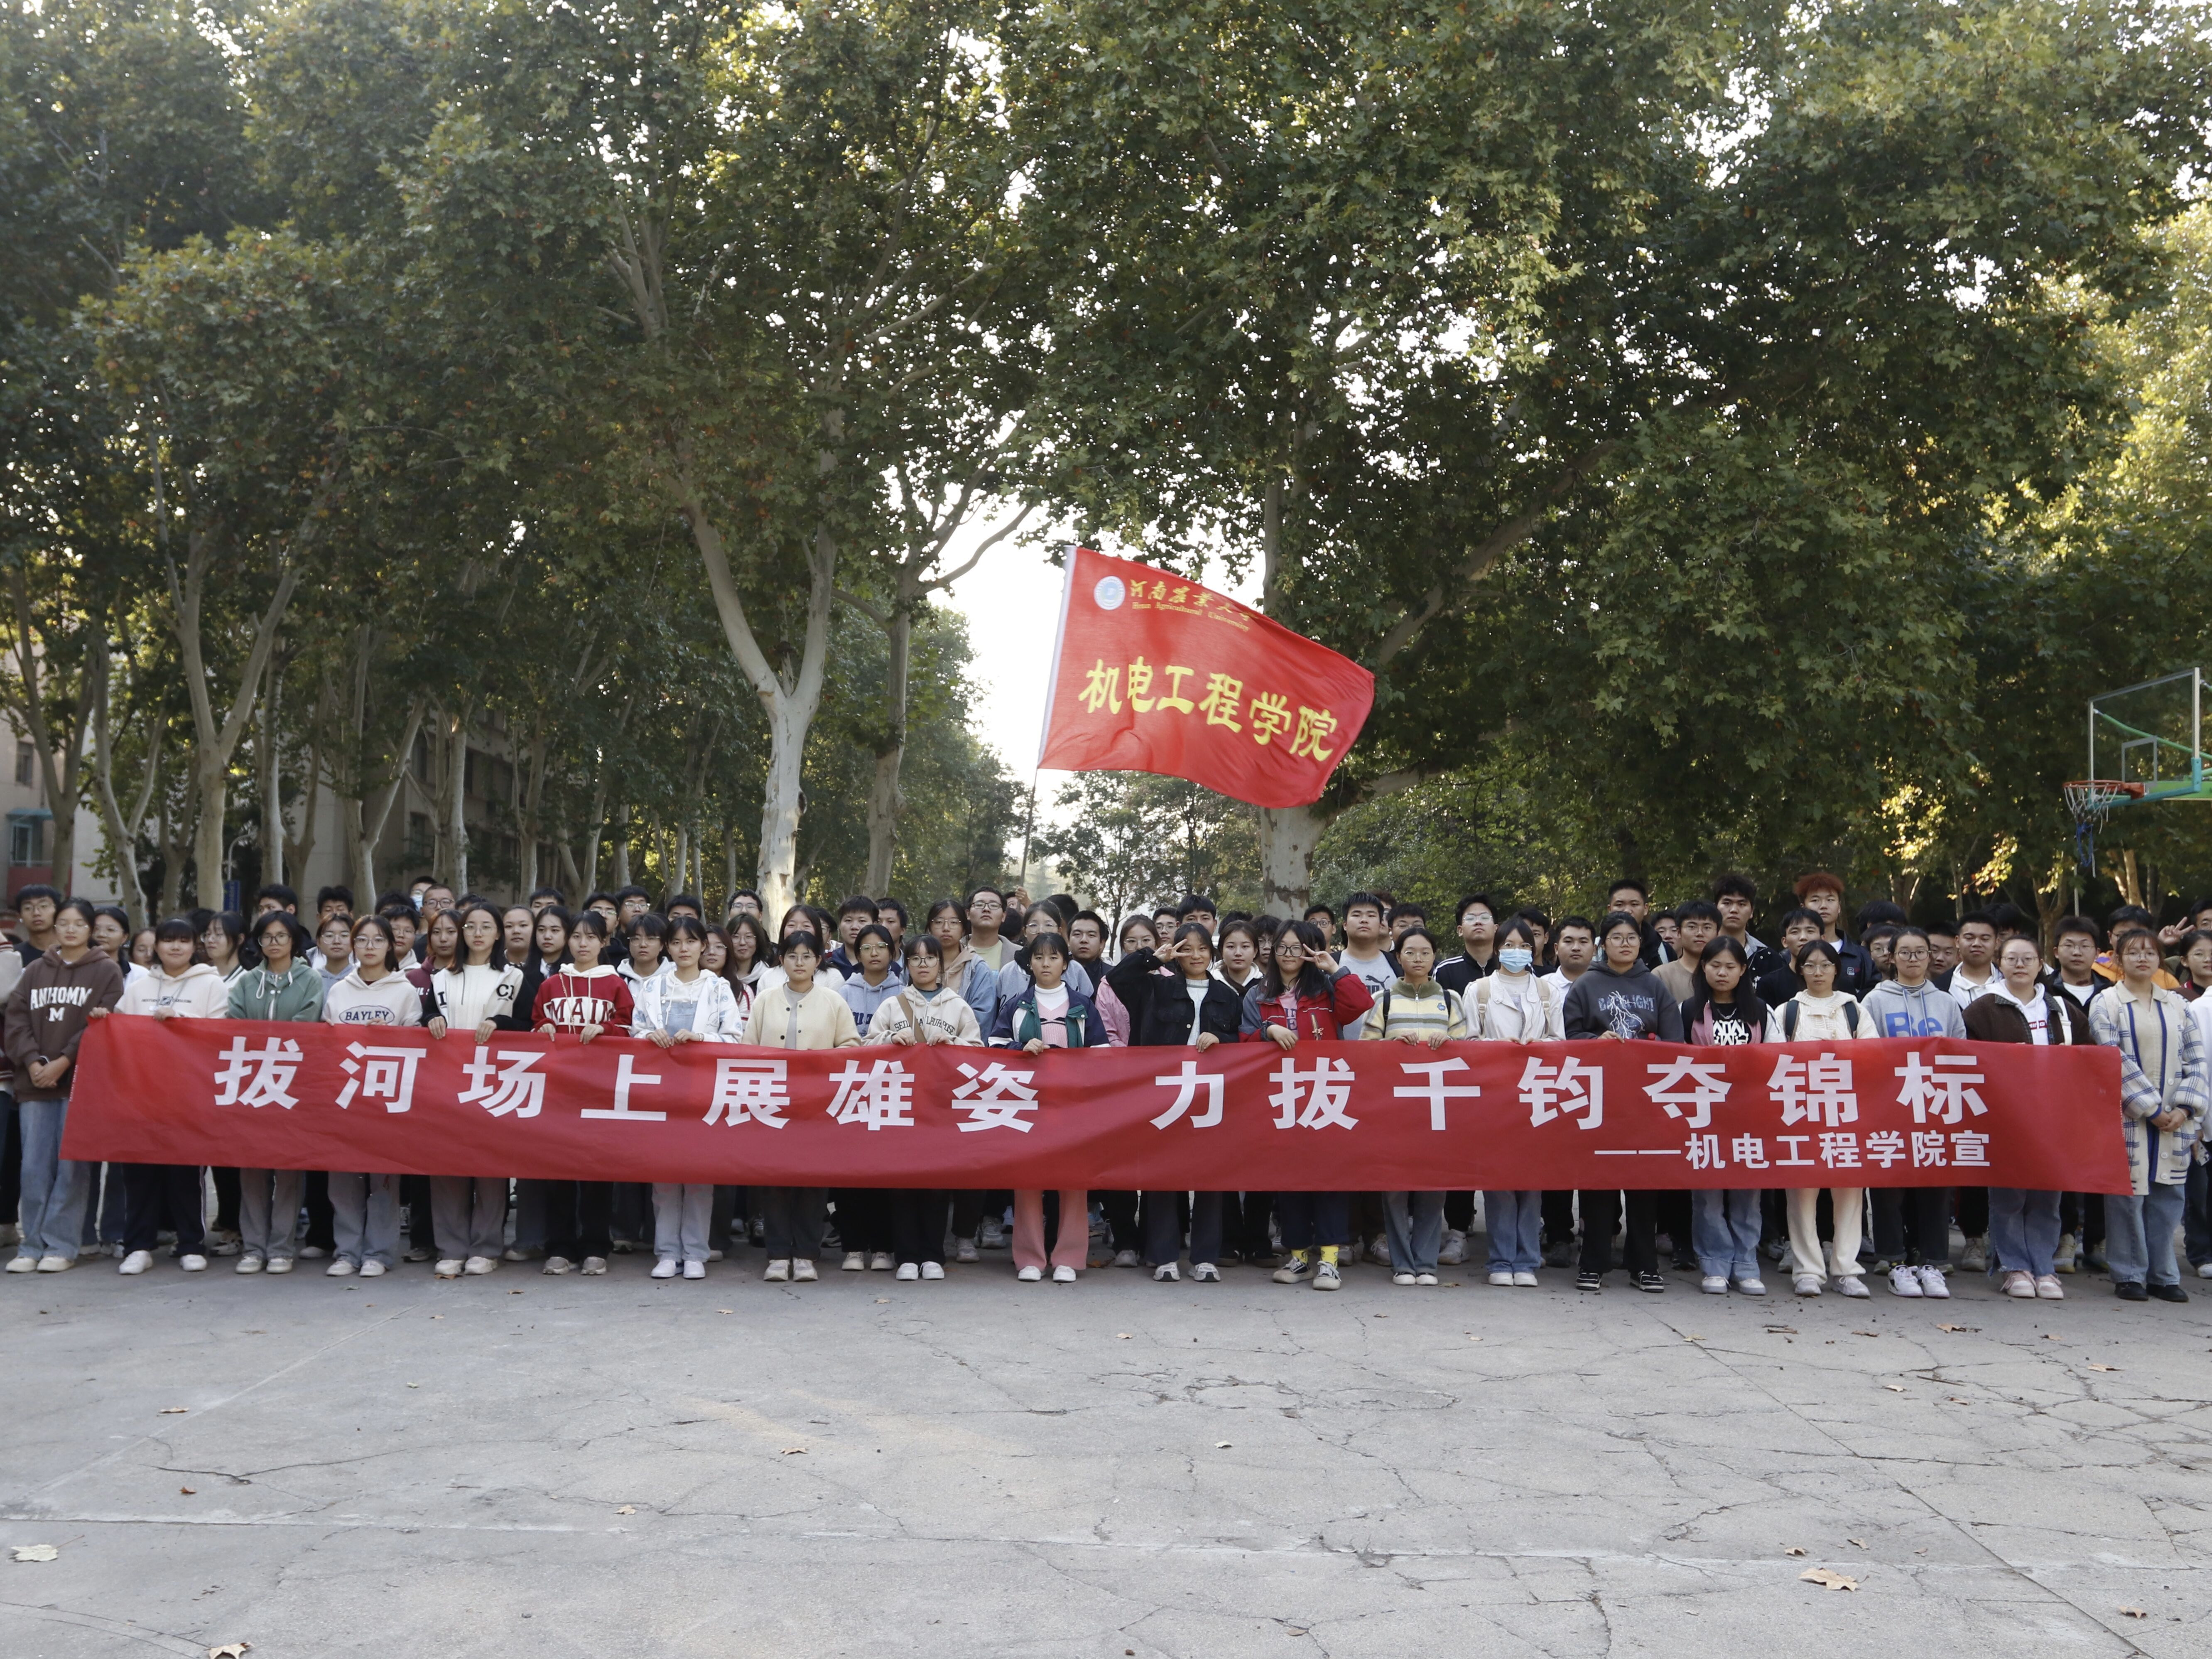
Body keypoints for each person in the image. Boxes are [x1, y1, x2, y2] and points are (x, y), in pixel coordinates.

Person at [1107, 921, 1243, 1284]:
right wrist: (1154, 958)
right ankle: (1165, 1256)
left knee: (1210, 1178)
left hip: (1211, 1095)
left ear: (1212, 953)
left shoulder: (1227, 995)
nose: (1195, 955)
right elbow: (1117, 979)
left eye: (1202, 948)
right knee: (1163, 1175)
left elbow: (1242, 1041)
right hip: (1164, 1095)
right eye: (1187, 948)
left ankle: (1205, 1258)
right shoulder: (1156, 987)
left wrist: (1222, 1039)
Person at [1242, 920, 1375, 1291]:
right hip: (1281, 1096)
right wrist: (1268, 1031)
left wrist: (1335, 969)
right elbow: (1242, 1042)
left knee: (1329, 1177)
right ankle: (1299, 1256)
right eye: (1282, 947)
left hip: (1324, 1092)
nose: (1289, 955)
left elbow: (1361, 1004)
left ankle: (1329, 1261)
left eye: (1297, 948)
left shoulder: (1326, 990)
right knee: (1290, 1178)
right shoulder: (1257, 995)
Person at [1964, 935, 2094, 1300]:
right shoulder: (1982, 1009)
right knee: (2008, 1197)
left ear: (2041, 965)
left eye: (2027, 959)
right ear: (1999, 964)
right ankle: (2014, 1267)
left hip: (2055, 1117)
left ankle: (2044, 1267)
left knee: (2047, 1197)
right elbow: (1969, 1063)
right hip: (2005, 1117)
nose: (2020, 965)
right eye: (2011, 959)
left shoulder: (2062, 1010)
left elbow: (2090, 1057)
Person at [4, 897, 125, 1274]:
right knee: (33, 1169)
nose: (70, 930)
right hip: (34, 1083)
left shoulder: (106, 971)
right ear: (55, 928)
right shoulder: (35, 970)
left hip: (80, 1085)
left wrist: (63, 1061)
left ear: (90, 930)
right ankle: (31, 1245)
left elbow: (101, 1025)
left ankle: (61, 1245)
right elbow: (16, 1021)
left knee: (72, 1169)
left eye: (79, 924)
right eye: (64, 923)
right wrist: (32, 1062)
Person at [1563, 910, 1681, 1293]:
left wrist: (1648, 1048)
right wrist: (1595, 1043)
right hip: (1600, 1101)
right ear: (1604, 945)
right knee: (1599, 1184)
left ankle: (1644, 1265)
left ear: (1640, 943)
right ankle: (1593, 1263)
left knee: (1644, 1185)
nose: (1625, 943)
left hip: (1646, 1101)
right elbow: (1570, 1037)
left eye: (1631, 937)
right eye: (1616, 937)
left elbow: (1675, 1043)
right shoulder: (1586, 985)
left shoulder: (1654, 986)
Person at [103, 916, 225, 1276]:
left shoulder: (211, 984)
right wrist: (102, 1020)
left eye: (183, 941)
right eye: (168, 940)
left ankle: (191, 1244)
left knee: (185, 1175)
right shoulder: (139, 986)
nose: (175, 947)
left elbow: (220, 1036)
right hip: (141, 1097)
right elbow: (119, 1032)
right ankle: (138, 1247)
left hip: (189, 1097)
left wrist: (181, 1020)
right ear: (156, 946)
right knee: (139, 1175)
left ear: (194, 946)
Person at [2090, 926, 2206, 1304]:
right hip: (2129, 1117)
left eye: (2150, 952)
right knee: (2127, 1198)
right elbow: (2112, 1060)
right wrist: (2152, 1110)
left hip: (2176, 1119)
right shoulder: (2106, 1003)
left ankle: (2163, 1275)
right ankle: (2129, 1274)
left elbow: (2197, 1060)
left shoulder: (2179, 1005)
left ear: (2160, 959)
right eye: (2133, 952)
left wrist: (2185, 1108)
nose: (2143, 958)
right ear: (2118, 959)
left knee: (2168, 1196)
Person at [632, 915, 744, 1281]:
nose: (684, 949)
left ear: (703, 947)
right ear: (668, 947)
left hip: (703, 1092)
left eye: (691, 942)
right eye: (677, 942)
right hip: (660, 1091)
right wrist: (649, 1037)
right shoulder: (651, 988)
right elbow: (634, 1032)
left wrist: (701, 1040)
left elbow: (735, 1038)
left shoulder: (718, 988)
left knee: (698, 1175)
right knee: (664, 1176)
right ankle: (667, 1252)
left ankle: (695, 1253)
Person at [744, 930, 861, 1282]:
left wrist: (819, 1062)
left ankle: (807, 1254)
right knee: (775, 1181)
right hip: (773, 1103)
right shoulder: (765, 1000)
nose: (799, 962)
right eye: (792, 956)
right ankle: (778, 1255)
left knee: (812, 1181)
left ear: (818, 961)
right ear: (781, 960)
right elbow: (747, 1050)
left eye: (807, 956)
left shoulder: (833, 1001)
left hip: (817, 1106)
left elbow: (851, 1046)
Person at [868, 935, 983, 1282]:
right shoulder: (892, 1005)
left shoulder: (958, 1006)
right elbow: (866, 1046)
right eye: (916, 959)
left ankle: (933, 1255)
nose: (923, 965)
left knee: (936, 1183)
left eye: (930, 958)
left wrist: (954, 1043)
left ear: (940, 964)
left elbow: (978, 1052)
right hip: (900, 1107)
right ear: (907, 965)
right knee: (902, 1183)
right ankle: (906, 1256)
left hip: (942, 1109)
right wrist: (890, 1040)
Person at [990, 930, 1102, 1283]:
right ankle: (1030, 1258)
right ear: (1029, 964)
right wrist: (1019, 1049)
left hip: (1073, 1106)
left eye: (1054, 957)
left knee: (1074, 1181)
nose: (1046, 964)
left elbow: (1102, 1053)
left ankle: (1068, 1257)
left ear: (1066, 964)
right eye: (1039, 958)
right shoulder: (1016, 1005)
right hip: (1028, 1104)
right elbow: (994, 1045)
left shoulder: (1083, 1005)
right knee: (1027, 1180)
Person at [424, 903, 525, 1279]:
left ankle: (486, 1247)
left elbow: (527, 1023)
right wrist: (430, 1019)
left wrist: (500, 1022)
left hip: (494, 1083)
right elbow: (426, 1017)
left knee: (490, 1168)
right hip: (447, 1082)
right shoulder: (440, 978)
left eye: (486, 927)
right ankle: (451, 1246)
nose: (478, 933)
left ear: (499, 933)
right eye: (470, 927)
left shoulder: (515, 976)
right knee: (447, 1167)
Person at [1861, 926, 1962, 1298]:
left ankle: (1933, 1257)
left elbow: (1961, 1050)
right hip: (1890, 1103)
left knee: (1934, 1179)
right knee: (1889, 1181)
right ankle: (1892, 1256)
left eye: (1921, 952)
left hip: (1936, 1104)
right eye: (1905, 952)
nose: (1913, 959)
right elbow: (1866, 1050)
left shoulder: (1946, 1002)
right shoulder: (1874, 1000)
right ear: (1892, 958)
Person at [319, 915, 420, 1277]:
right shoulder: (338, 991)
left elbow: (418, 1044)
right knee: (343, 1180)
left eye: (378, 940)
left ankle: (379, 1252)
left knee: (383, 1181)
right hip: (345, 1098)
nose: (370, 947)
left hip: (386, 1099)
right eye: (362, 940)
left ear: (390, 946)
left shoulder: (404, 991)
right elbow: (325, 1043)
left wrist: (392, 1035)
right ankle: (347, 1252)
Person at [533, 910, 631, 1276]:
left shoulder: (616, 984)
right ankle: (559, 1246)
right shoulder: (551, 985)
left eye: (591, 937)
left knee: (596, 1171)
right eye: (576, 937)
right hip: (558, 1091)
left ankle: (595, 1245)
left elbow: (629, 1028)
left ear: (604, 942)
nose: (583, 944)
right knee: (557, 1171)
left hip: (600, 1090)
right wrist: (544, 1028)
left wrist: (606, 1030)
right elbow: (536, 1022)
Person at [226, 910, 325, 1275]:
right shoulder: (246, 981)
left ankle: (282, 1247)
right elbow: (233, 1024)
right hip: (251, 1085)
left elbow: (306, 1024)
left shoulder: (310, 979)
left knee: (288, 1171)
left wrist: (266, 1042)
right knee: (252, 1169)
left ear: (293, 941)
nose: (274, 943)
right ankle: (254, 1248)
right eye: (267, 937)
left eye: (281, 936)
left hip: (292, 1085)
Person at [1465, 917, 1559, 1286]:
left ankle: (1528, 1261)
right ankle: (1501, 1262)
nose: (1516, 952)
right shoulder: (1480, 990)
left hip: (1537, 1093)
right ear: (1497, 949)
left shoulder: (1548, 990)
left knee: (1532, 1181)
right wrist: (1500, 1048)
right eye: (1509, 946)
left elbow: (1560, 1040)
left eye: (1524, 946)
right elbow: (1468, 1042)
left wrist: (1538, 1047)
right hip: (1496, 1096)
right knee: (1500, 1181)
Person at [1775, 940, 1871, 1298]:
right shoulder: (1787, 1011)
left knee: (1849, 1191)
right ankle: (1808, 1270)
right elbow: (1773, 1062)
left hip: (1847, 1113)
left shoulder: (1854, 1010)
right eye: (1810, 965)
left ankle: (1846, 1269)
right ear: (1800, 970)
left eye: (1825, 965)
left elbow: (1875, 1058)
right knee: (1802, 1193)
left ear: (1837, 970)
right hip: (1800, 1113)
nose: (1818, 972)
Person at [1371, 926, 1465, 1287]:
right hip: (1394, 1110)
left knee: (1433, 1184)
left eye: (1425, 952)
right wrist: (1392, 1042)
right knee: (1395, 1187)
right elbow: (1364, 1051)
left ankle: (1426, 1263)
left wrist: (1450, 1041)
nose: (1418, 959)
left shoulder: (1451, 999)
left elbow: (1470, 1049)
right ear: (1398, 957)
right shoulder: (1383, 1000)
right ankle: (1402, 1264)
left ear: (1434, 957)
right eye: (1410, 952)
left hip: (1439, 1108)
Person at [1679, 937, 1772, 1296]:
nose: (1722, 973)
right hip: (1705, 1116)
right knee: (1709, 1195)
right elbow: (1675, 1059)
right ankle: (1714, 1264)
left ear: (1743, 970)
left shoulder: (1761, 1010)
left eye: (1731, 966)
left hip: (1751, 1116)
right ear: (1703, 968)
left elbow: (1777, 1059)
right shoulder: (1688, 1009)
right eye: (1715, 965)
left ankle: (1747, 1265)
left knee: (1748, 1194)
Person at [1793, 872, 1874, 993]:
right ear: (1803, 907)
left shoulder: (1861, 955)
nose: (1823, 906)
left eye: (1830, 900)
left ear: (1839, 907)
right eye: (1815, 900)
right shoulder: (1790, 955)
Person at [1335, 893, 1396, 1035]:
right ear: (1345, 925)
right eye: (1357, 915)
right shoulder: (1330, 965)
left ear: (1381, 925)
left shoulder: (1397, 965)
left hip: (1388, 1048)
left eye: (1371, 915)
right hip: (1340, 1049)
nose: (1364, 920)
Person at [1653, 901, 1720, 1002]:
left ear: (1718, 933)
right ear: (1679, 932)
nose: (1700, 933)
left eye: (1707, 928)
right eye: (1692, 927)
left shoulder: (1726, 973)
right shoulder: (1661, 975)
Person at [1435, 895, 1499, 995]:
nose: (1478, 922)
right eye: (1470, 919)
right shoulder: (1446, 971)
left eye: (1485, 918)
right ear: (1460, 931)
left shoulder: (1511, 967)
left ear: (1496, 929)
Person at [1937, 911, 2000, 1006]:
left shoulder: (2009, 981)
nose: (1977, 944)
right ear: (1957, 942)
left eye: (1985, 939)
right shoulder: (1940, 987)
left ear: (1997, 943)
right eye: (1969, 938)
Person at [13, 883, 60, 965]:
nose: (36, 913)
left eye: (44, 906)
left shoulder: (73, 952)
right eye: (28, 908)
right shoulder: (14, 956)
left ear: (58, 911)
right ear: (19, 916)